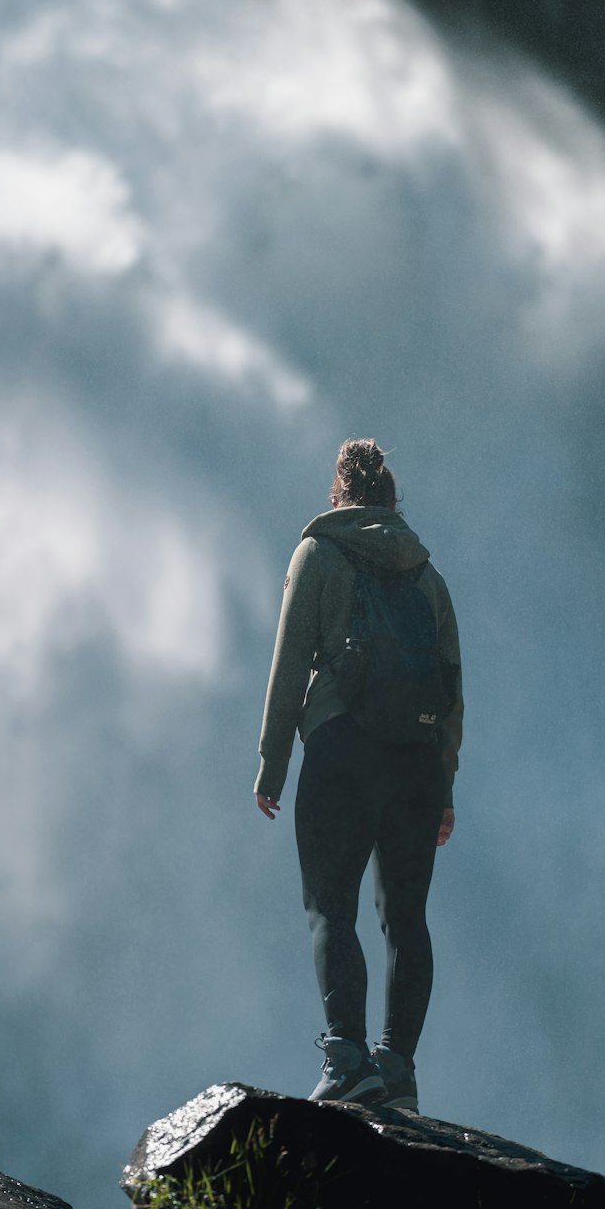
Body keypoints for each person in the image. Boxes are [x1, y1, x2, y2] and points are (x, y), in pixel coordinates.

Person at [254, 438, 463, 1111]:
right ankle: (396, 1068)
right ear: (392, 501)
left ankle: (347, 1060)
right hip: (417, 765)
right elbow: (452, 692)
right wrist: (445, 790)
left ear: (338, 496)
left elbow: (290, 663)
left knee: (329, 906)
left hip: (343, 749)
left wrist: (272, 763)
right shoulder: (428, 578)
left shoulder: (320, 552)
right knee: (407, 918)